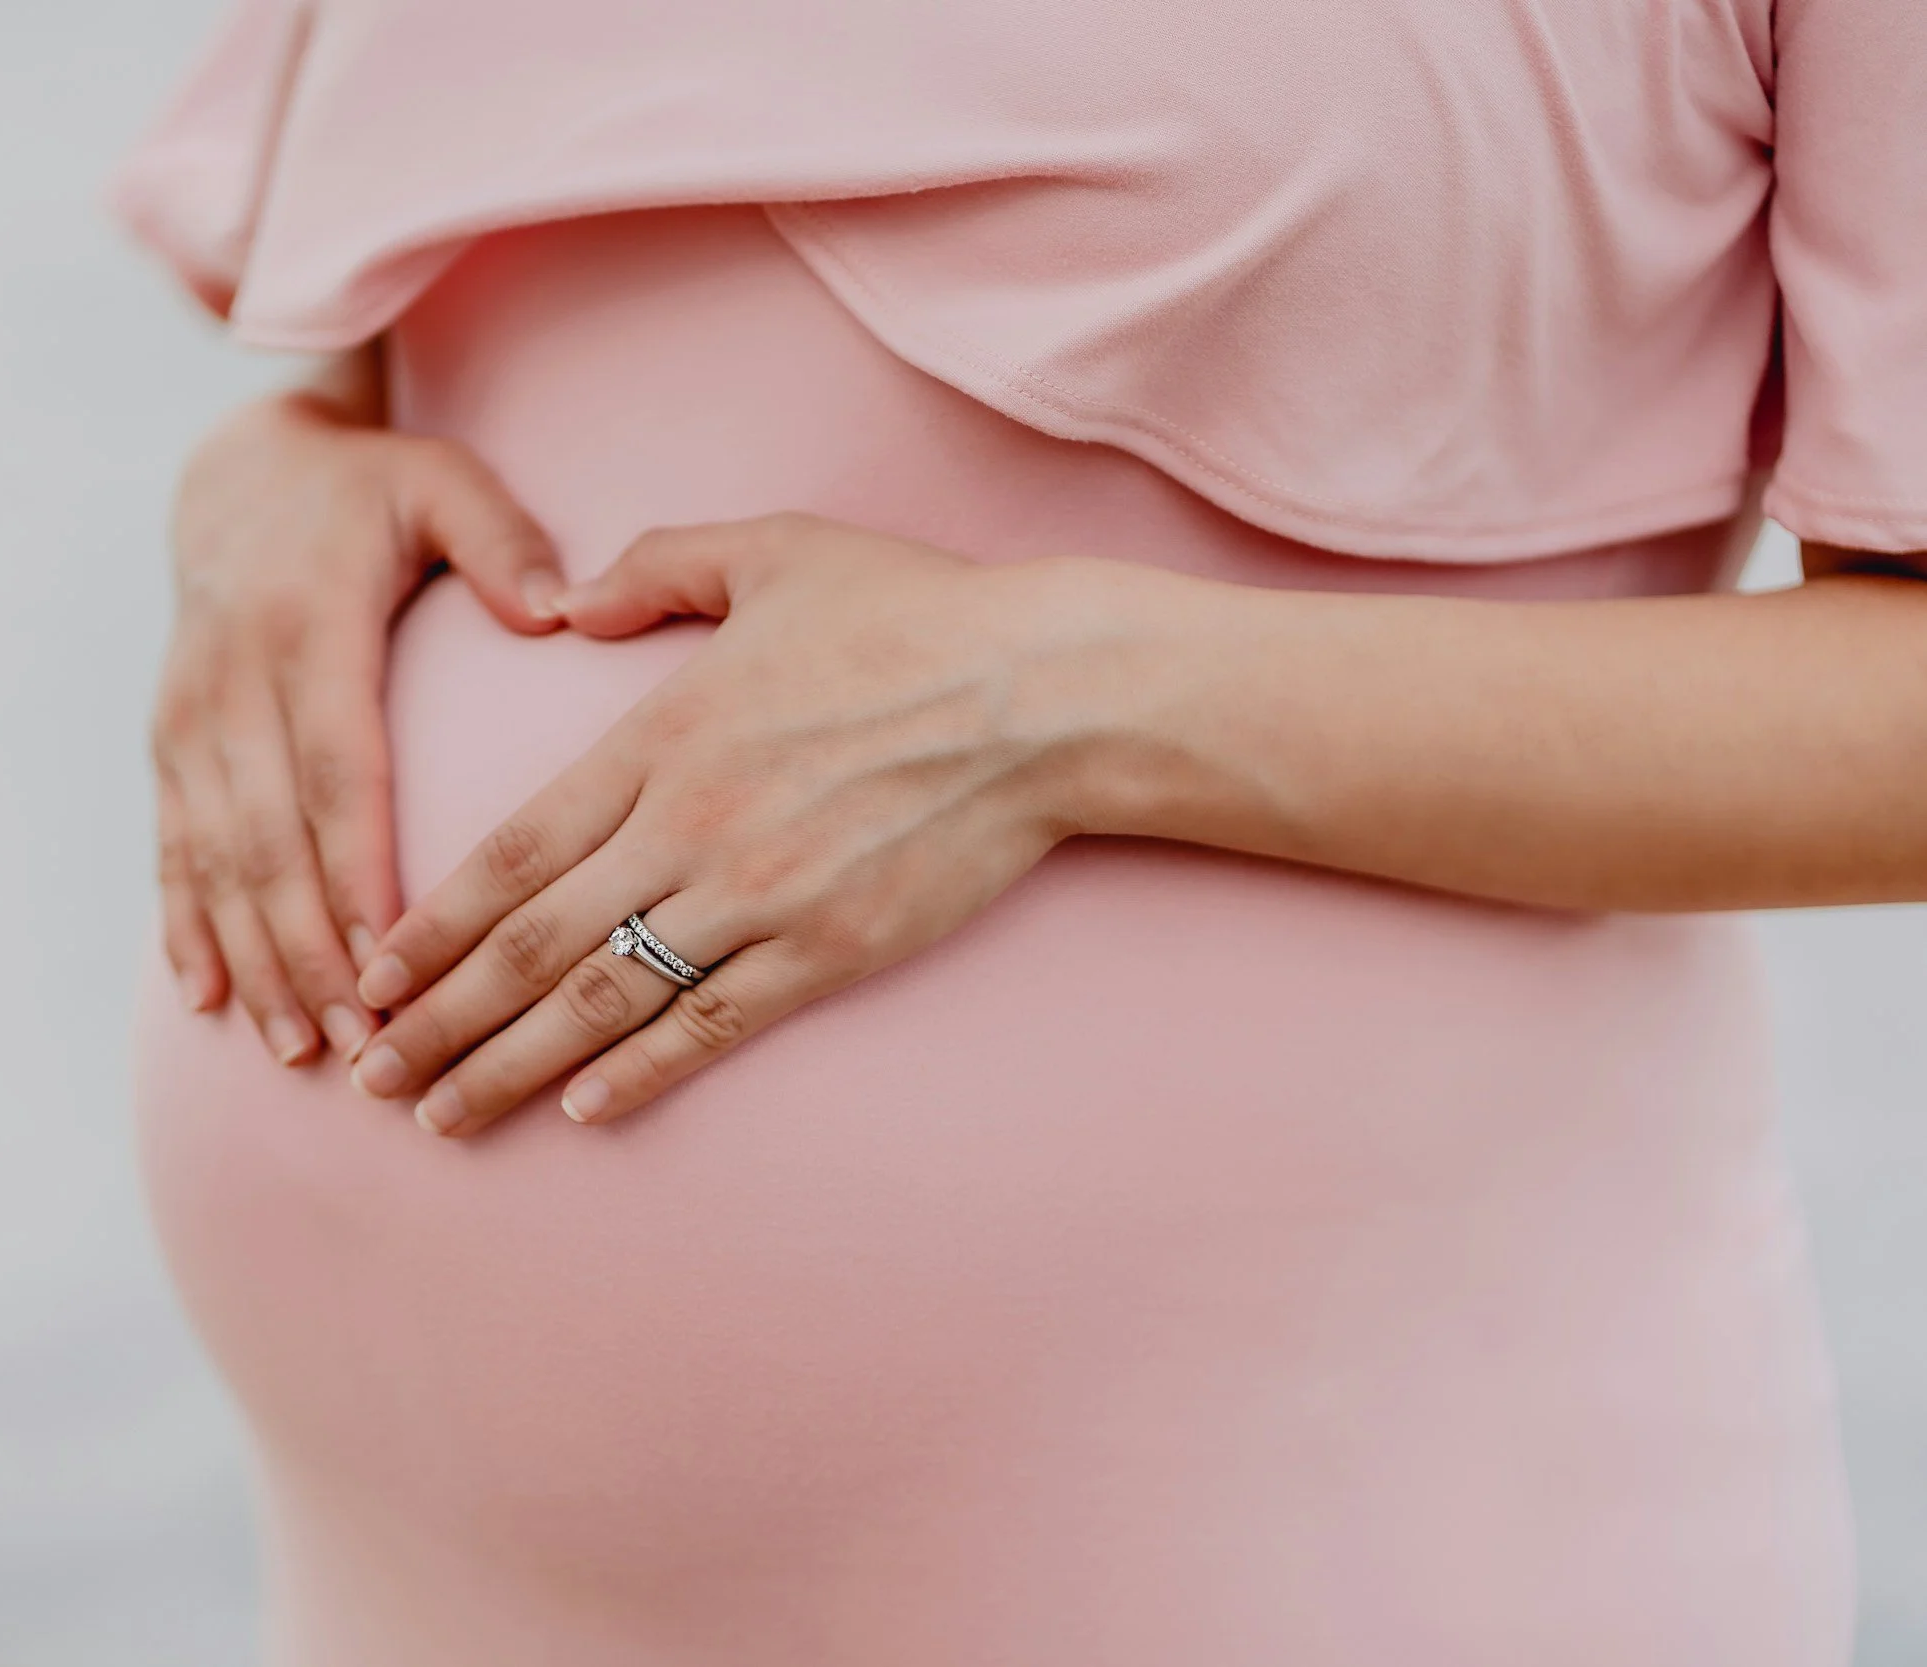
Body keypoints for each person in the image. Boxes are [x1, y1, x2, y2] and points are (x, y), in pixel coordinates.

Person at [114, 2, 1918, 1659]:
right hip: (413, 1572)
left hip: (1306, 1510)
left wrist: (1071, 698)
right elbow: (421, 342)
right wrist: (270, 476)